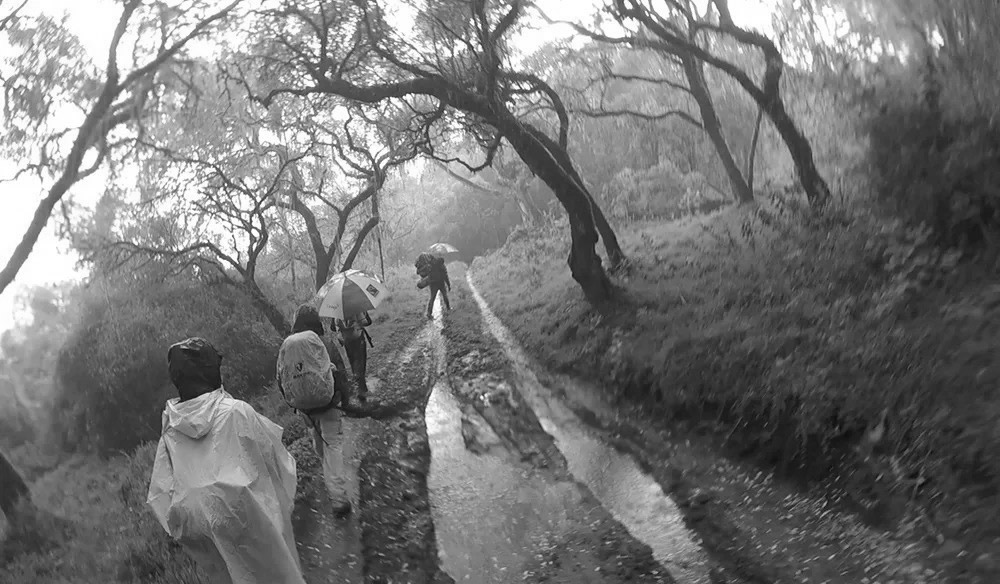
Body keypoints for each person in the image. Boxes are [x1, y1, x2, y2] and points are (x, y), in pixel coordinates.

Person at [147, 337, 306, 584]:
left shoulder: (170, 429)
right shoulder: (235, 411)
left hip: (202, 527)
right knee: (275, 573)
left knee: (231, 574)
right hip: (248, 516)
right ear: (210, 371)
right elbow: (275, 461)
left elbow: (161, 491)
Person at [282, 304, 352, 515]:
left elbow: (282, 378)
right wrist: (346, 400)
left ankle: (328, 475)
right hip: (329, 404)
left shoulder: (288, 346)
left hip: (305, 409)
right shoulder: (325, 343)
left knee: (320, 443)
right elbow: (340, 372)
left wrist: (294, 403)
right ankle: (339, 499)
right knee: (334, 446)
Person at [336, 311, 373, 404]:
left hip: (347, 341)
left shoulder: (336, 311)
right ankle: (361, 392)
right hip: (358, 338)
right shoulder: (357, 307)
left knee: (353, 364)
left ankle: (360, 387)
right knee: (360, 364)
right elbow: (367, 322)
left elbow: (333, 328)